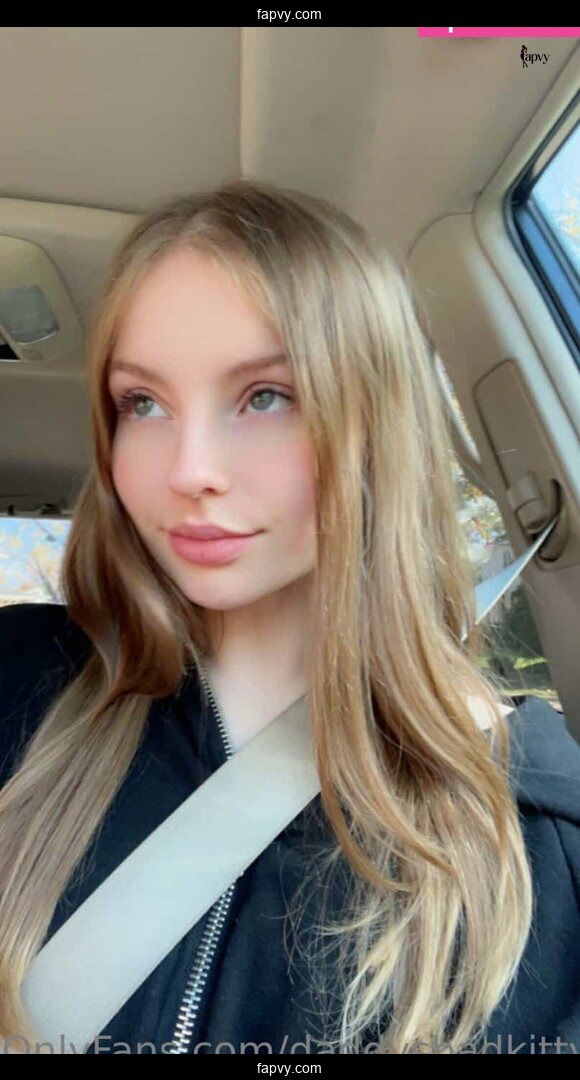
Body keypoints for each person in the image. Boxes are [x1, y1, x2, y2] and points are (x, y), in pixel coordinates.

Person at [0, 178, 578, 1055]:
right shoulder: (20, 682)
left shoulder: (537, 830)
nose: (189, 469)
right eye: (142, 403)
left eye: (266, 395)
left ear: (375, 421)